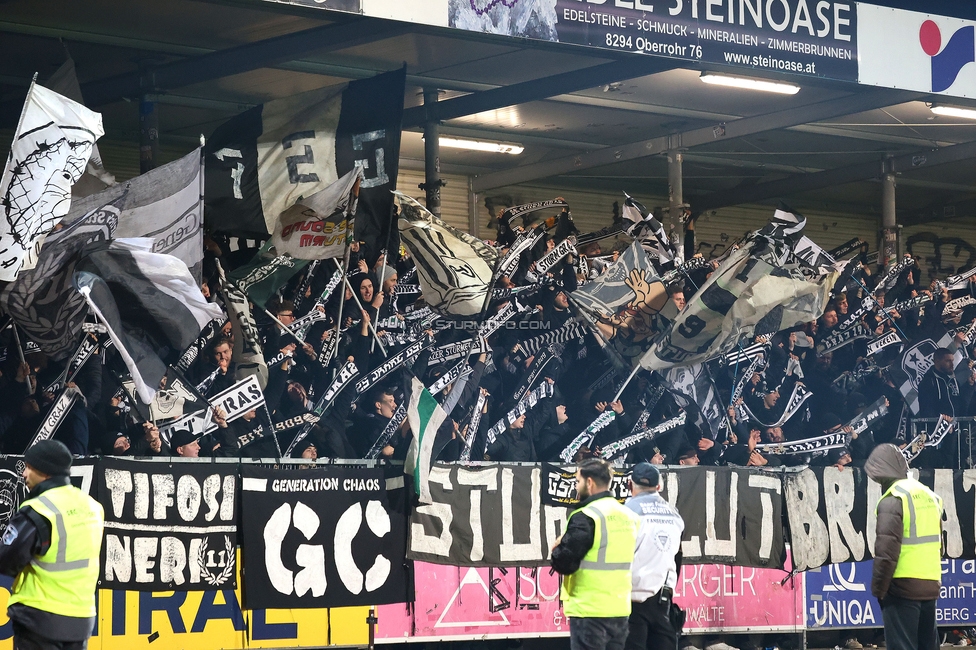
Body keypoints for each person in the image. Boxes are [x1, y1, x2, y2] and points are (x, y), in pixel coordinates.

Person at [0, 440, 104, 649]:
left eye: (29, 467)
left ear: (45, 471)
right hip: (81, 618)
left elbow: (6, 559)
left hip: (40, 618)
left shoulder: (39, 509)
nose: (24, 474)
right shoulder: (92, 506)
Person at [551, 458, 640, 650]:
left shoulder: (586, 516)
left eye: (577, 481)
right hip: (620, 609)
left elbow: (564, 562)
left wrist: (557, 547)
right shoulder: (629, 516)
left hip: (589, 610)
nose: (576, 486)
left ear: (589, 483)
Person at [865, 443, 942, 650]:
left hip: (902, 588)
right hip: (930, 584)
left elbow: (886, 553)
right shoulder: (929, 495)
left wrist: (879, 590)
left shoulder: (893, 499)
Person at [625, 463, 685, 650]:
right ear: (658, 486)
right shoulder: (675, 515)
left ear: (629, 484)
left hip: (630, 601)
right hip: (663, 602)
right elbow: (677, 557)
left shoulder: (626, 512)